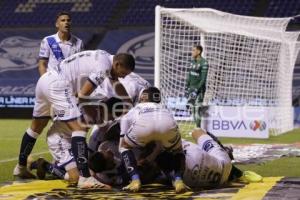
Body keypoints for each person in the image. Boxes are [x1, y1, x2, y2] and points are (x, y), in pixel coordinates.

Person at [13, 50, 135, 189]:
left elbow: (115, 85)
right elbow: (82, 95)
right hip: (59, 85)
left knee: (36, 128)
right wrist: (90, 113)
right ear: (117, 64)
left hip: (46, 80)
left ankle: (21, 167)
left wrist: (131, 104)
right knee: (79, 128)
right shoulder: (104, 68)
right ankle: (85, 178)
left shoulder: (105, 58)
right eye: (123, 73)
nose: (123, 77)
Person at [89, 128, 263, 189]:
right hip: (222, 164)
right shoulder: (181, 148)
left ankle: (228, 159)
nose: (111, 154)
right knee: (197, 132)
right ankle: (225, 151)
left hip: (213, 180)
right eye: (109, 158)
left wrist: (146, 164)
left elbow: (150, 173)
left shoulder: (186, 181)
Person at [29, 97, 124, 182]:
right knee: (76, 177)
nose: (111, 119)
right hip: (60, 140)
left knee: (80, 167)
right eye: (112, 116)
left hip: (68, 137)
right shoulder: (91, 115)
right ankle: (46, 166)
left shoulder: (97, 109)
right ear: (107, 110)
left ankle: (57, 164)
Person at [119, 87, 189, 193]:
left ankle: (135, 179)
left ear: (143, 97)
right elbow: (173, 124)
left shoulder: (137, 108)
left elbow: (124, 120)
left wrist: (123, 139)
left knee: (123, 147)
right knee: (178, 150)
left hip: (143, 127)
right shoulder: (164, 108)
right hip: (167, 125)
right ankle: (178, 180)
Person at [89, 72, 151, 152]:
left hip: (141, 90)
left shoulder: (133, 93)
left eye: (111, 118)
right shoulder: (99, 93)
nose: (110, 120)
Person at [38, 11, 84, 76]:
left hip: (71, 81)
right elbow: (42, 64)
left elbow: (81, 65)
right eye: (63, 20)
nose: (66, 22)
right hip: (52, 81)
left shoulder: (79, 42)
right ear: (57, 24)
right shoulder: (47, 40)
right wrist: (45, 81)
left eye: (68, 20)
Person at [185, 45, 209, 128]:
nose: (192, 52)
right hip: (191, 88)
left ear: (199, 52)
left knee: (197, 109)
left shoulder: (204, 63)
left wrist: (197, 89)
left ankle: (198, 128)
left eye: (193, 50)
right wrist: (187, 86)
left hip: (199, 90)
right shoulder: (192, 62)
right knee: (192, 109)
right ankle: (197, 127)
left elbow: (203, 79)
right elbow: (189, 75)